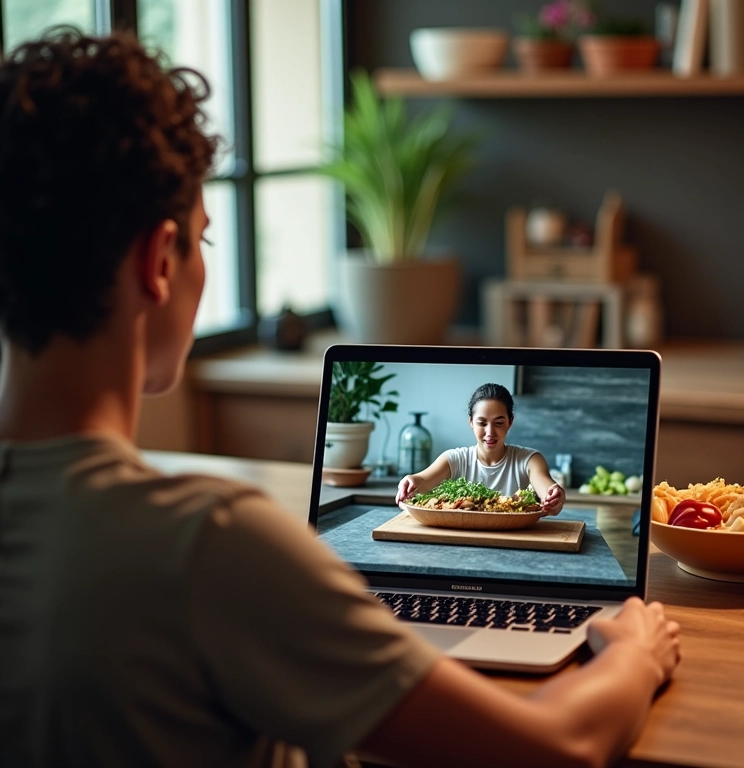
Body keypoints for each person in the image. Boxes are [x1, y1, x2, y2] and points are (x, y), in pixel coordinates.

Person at [0, 28, 680, 768]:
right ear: (158, 261)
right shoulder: (210, 544)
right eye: (204, 240)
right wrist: (637, 654)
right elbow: (558, 747)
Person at [396, 382, 566, 514]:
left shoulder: (529, 460)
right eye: (482, 423)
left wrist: (553, 497)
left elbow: (546, 488)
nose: (490, 432)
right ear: (471, 422)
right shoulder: (454, 460)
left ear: (510, 422)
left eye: (499, 423)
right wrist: (411, 482)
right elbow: (422, 482)